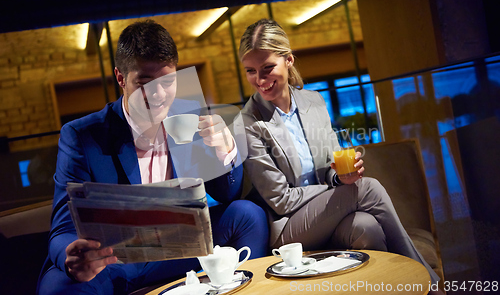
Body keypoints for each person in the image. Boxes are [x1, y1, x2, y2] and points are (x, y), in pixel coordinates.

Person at [37, 20, 268, 295]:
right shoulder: (82, 135)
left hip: (181, 246)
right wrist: (71, 256)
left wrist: (225, 152)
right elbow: (62, 228)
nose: (159, 95)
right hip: (116, 259)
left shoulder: (189, 115)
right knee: (58, 289)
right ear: (121, 78)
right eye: (144, 83)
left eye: (168, 82)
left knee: (248, 215)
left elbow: (227, 193)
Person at [237, 19, 440, 286]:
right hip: (288, 227)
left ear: (289, 60)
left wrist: (339, 178)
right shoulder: (247, 123)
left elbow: (330, 164)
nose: (260, 81)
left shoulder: (315, 101)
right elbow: (281, 200)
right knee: (369, 188)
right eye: (251, 71)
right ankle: (430, 282)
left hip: (330, 212)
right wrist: (336, 189)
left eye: (267, 68)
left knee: (366, 228)